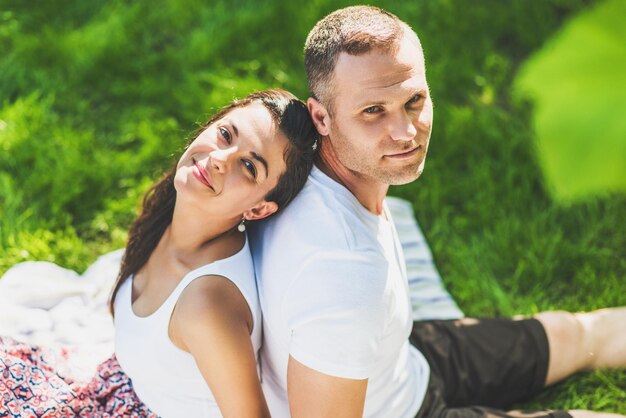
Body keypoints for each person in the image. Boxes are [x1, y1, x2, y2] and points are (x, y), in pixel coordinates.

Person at [250, 6, 626, 418]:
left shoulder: (308, 173)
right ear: (321, 116)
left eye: (414, 100)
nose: (406, 133)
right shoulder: (344, 279)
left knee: (580, 335)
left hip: (406, 363)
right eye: (373, 111)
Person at [0, 89, 319, 417]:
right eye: (225, 134)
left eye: (249, 166)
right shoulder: (174, 216)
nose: (220, 159)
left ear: (259, 209)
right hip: (122, 388)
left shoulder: (206, 306)